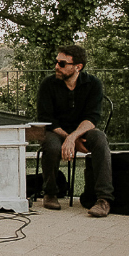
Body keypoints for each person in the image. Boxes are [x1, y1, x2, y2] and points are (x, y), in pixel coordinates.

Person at [37, 44, 113, 217]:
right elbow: (46, 119)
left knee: (100, 139)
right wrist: (69, 138)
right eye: (56, 62)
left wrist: (73, 138)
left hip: (81, 130)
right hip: (55, 131)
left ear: (78, 67)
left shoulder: (93, 84)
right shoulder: (48, 84)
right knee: (52, 145)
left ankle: (104, 199)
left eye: (62, 64)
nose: (56, 66)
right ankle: (50, 193)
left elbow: (92, 118)